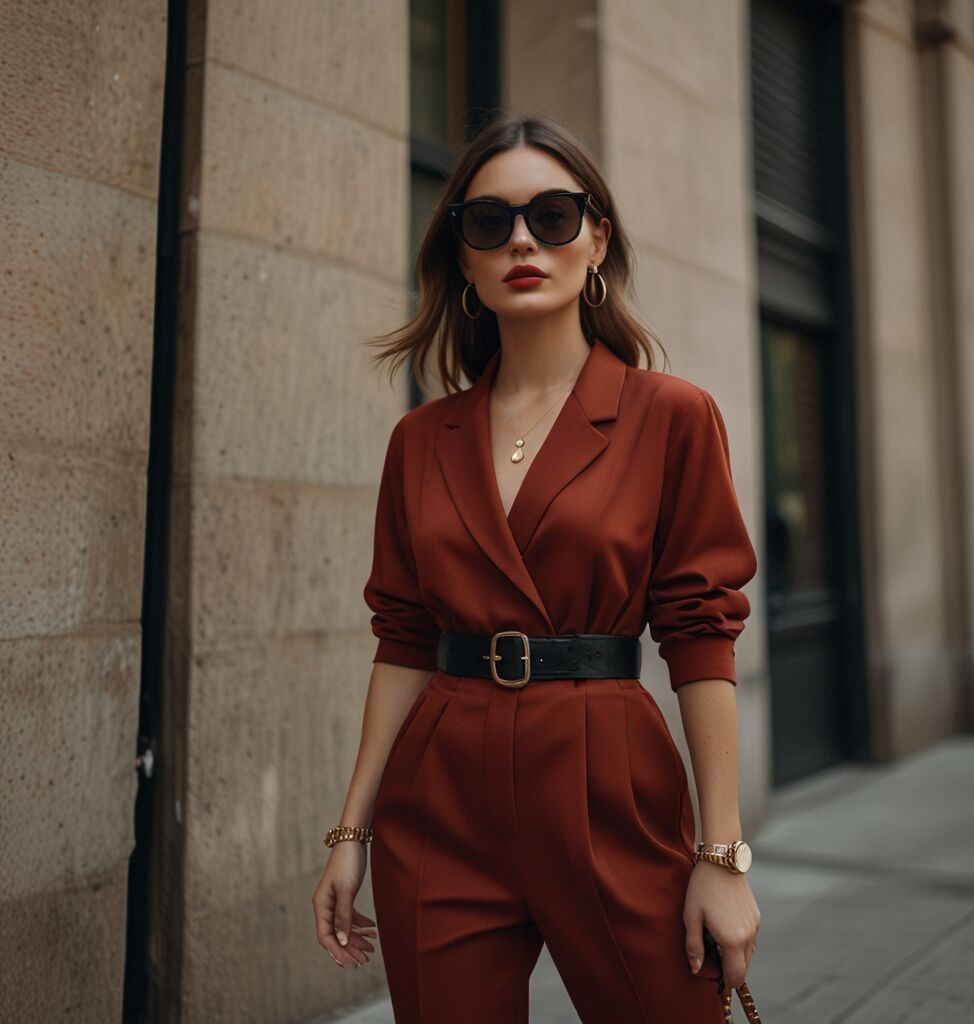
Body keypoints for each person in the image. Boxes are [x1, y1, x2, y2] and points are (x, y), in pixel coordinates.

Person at [312, 112, 761, 1024]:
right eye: (489, 222)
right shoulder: (420, 440)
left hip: (606, 777)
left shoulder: (671, 416)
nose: (522, 240)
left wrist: (721, 858)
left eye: (552, 216)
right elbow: (404, 638)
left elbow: (700, 634)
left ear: (596, 241)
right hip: (441, 794)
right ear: (464, 260)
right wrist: (351, 831)